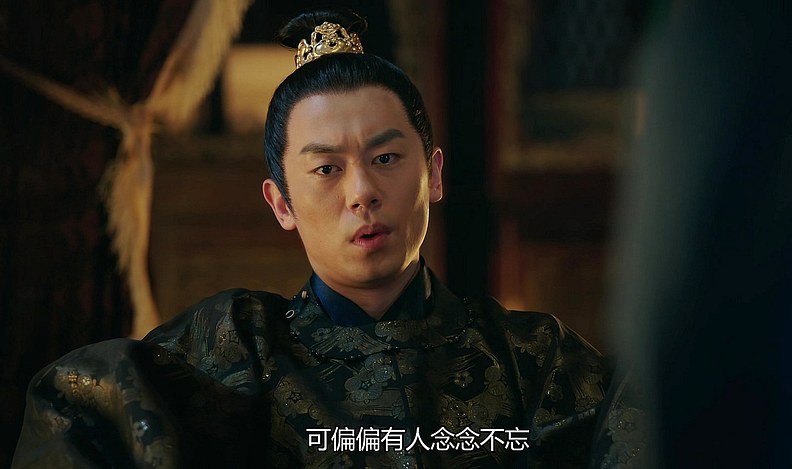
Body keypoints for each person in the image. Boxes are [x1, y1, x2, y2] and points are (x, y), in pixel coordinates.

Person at [13, 9, 608, 468]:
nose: (362, 192)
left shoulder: (532, 359)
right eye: (326, 169)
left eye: (386, 158)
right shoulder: (233, 352)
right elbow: (72, 411)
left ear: (434, 175)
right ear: (281, 204)